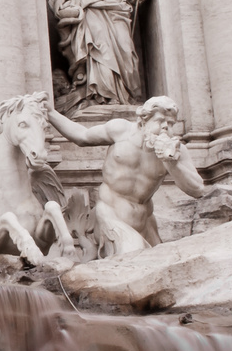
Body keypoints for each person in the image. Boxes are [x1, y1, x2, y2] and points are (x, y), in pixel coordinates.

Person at [47, 96, 205, 256]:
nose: (165, 127)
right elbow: (82, 136)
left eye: (171, 123)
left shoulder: (177, 151)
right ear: (144, 120)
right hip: (110, 215)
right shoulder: (121, 131)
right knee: (134, 259)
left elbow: (198, 189)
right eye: (160, 121)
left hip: (145, 222)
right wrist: (50, 112)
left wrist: (172, 164)